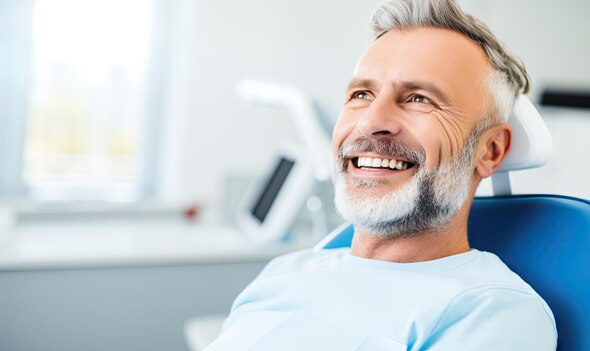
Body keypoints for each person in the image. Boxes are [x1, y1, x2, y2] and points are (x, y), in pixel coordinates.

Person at [206, 0, 557, 349]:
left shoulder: (493, 314)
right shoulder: (286, 271)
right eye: (361, 94)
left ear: (490, 150)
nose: (370, 122)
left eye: (420, 98)